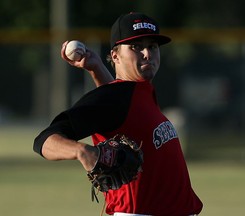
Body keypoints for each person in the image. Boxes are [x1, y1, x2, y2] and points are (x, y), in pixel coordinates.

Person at [33, 12, 203, 216]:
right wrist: (83, 152)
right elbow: (44, 141)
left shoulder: (136, 93)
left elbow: (120, 112)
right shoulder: (116, 97)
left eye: (152, 46)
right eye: (136, 47)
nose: (147, 53)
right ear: (115, 55)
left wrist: (96, 68)